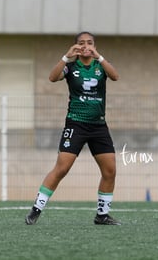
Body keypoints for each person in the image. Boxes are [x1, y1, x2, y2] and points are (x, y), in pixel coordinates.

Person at [25, 31, 121, 226]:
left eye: (90, 43)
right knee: (62, 168)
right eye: (82, 43)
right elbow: (52, 78)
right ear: (75, 46)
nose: (86, 46)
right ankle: (36, 210)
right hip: (76, 124)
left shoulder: (99, 66)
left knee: (110, 170)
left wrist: (99, 56)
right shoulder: (70, 67)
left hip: (99, 126)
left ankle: (102, 215)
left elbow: (115, 76)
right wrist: (65, 56)